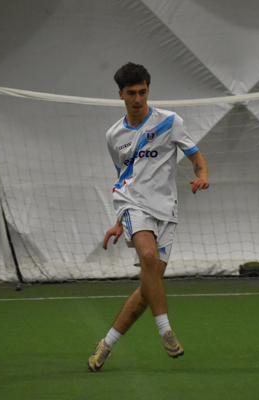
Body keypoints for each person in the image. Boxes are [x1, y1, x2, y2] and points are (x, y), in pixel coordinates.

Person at [88, 62, 209, 372]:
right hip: (132, 204)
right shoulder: (114, 135)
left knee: (148, 286)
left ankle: (106, 344)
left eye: (143, 92)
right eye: (131, 93)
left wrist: (202, 175)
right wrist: (121, 219)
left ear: (148, 90)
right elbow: (123, 176)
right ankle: (165, 331)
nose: (138, 99)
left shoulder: (170, 122)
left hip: (166, 210)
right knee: (149, 257)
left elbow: (195, 156)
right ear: (120, 95)